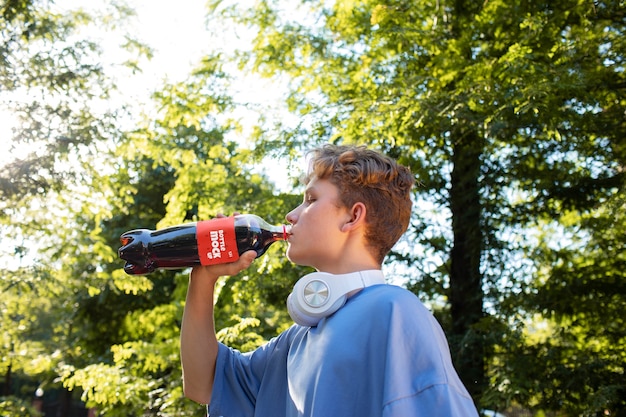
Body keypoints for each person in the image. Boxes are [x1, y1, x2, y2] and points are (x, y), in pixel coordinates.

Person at [180, 144, 479, 416]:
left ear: (352, 217)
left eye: (311, 199)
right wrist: (204, 278)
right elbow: (202, 383)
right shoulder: (297, 340)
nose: (290, 215)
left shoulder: (394, 311)